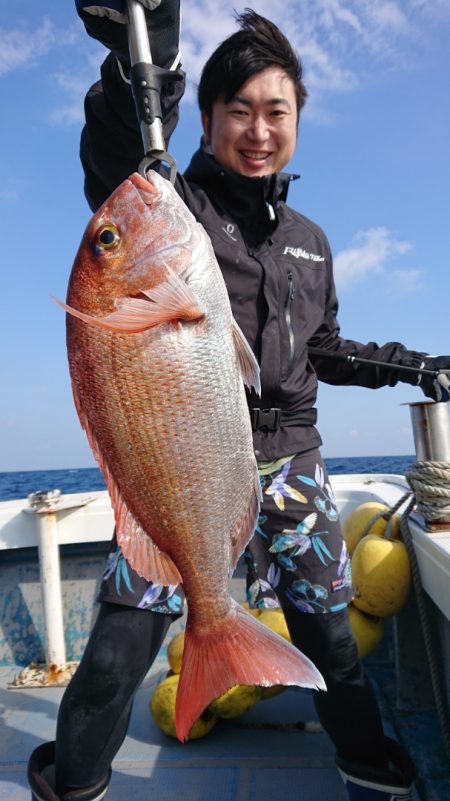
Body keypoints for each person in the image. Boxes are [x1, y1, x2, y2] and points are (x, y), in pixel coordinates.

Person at [28, 3, 450, 800]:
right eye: (239, 111)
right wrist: (140, 66)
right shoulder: (172, 205)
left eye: (276, 112)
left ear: (296, 123)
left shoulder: (311, 240)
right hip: (181, 458)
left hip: (291, 461)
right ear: (211, 117)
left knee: (333, 637)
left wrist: (420, 366)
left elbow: (326, 348)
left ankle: (373, 773)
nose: (258, 130)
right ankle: (74, 785)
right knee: (118, 652)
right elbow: (116, 158)